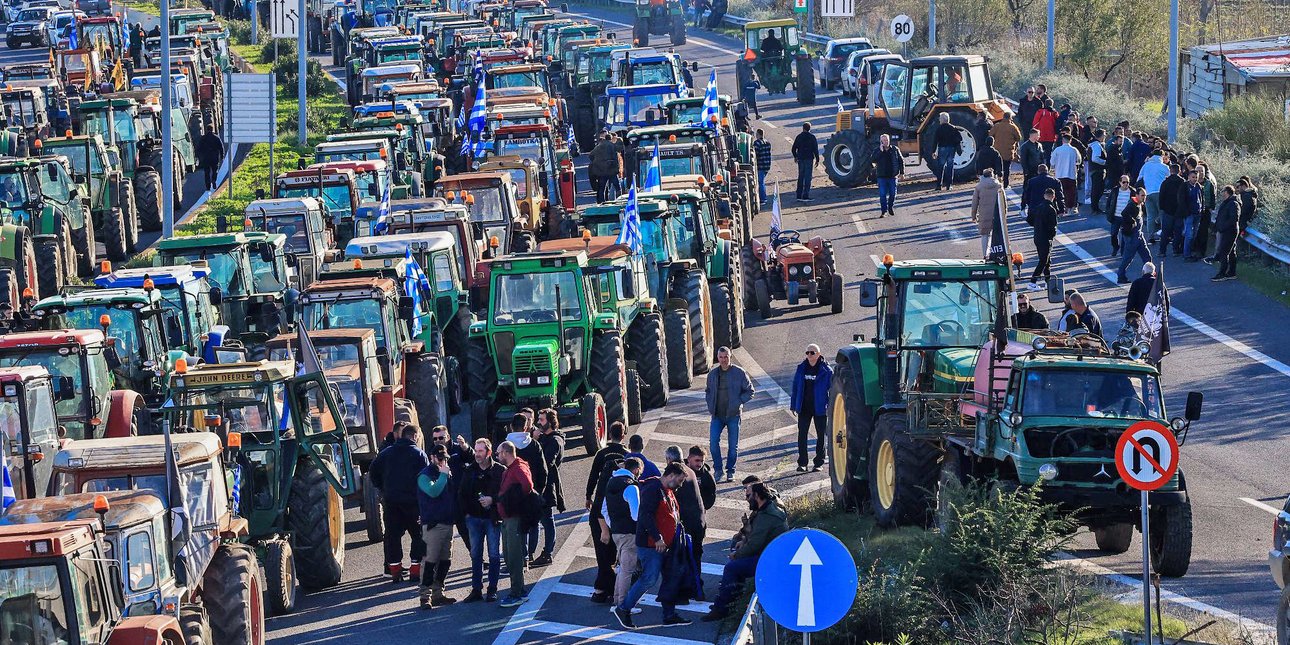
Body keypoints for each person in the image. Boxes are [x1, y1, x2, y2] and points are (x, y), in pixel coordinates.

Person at [613, 463, 692, 629]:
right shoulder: (653, 489)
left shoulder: (666, 489)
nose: (680, 484)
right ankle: (624, 608)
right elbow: (645, 515)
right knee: (649, 578)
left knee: (670, 578)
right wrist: (657, 538)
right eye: (679, 480)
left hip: (666, 545)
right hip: (651, 545)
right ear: (671, 475)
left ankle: (669, 615)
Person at [702, 481, 788, 622]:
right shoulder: (765, 509)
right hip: (767, 553)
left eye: (749, 496)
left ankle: (722, 608)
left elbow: (755, 544)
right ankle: (732, 599)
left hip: (770, 559)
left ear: (757, 496)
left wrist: (736, 555)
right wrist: (743, 542)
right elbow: (755, 536)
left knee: (732, 568)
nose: (746, 499)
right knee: (736, 557)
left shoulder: (768, 516)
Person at [369, 424, 428, 582]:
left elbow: (373, 471)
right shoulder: (419, 454)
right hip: (413, 504)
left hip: (391, 502)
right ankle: (415, 571)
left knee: (393, 537)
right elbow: (426, 478)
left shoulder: (386, 453)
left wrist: (382, 488)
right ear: (414, 436)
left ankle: (395, 572)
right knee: (418, 536)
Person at [585, 421, 629, 603]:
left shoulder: (601, 454)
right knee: (613, 554)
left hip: (601, 516)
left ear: (610, 434)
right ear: (623, 435)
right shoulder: (627, 455)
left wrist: (588, 495)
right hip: (617, 515)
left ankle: (604, 589)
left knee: (602, 554)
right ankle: (606, 588)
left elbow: (592, 476)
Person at [459, 438, 504, 602]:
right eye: (476, 450)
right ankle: (476, 589)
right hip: (474, 519)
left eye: (480, 451)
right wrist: (466, 514)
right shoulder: (470, 470)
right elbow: (462, 494)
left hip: (492, 519)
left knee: (494, 555)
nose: (477, 454)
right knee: (476, 555)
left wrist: (492, 499)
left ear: (489, 452)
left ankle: (492, 589)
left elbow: (507, 493)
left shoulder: (500, 471)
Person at [416, 444, 459, 608]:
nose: (443, 462)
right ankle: (425, 596)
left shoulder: (446, 473)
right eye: (440, 459)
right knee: (429, 562)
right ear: (432, 458)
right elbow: (433, 492)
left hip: (447, 523)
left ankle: (438, 593)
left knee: (445, 561)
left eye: (445, 459)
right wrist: (443, 475)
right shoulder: (424, 475)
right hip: (433, 525)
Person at [705, 346, 754, 482]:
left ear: (730, 357)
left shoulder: (739, 373)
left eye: (726, 357)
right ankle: (718, 469)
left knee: (733, 446)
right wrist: (710, 405)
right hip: (717, 416)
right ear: (717, 358)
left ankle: (731, 470)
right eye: (721, 357)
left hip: (733, 415)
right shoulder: (713, 374)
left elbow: (750, 391)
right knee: (713, 443)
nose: (723, 360)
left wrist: (738, 402)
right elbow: (708, 391)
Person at [495, 440, 534, 608]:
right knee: (509, 555)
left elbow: (528, 485)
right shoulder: (512, 468)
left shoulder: (518, 468)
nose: (497, 456)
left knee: (514, 557)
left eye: (498, 453)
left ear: (505, 453)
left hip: (514, 519)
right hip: (507, 518)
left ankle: (516, 593)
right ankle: (520, 591)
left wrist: (515, 500)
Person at [602, 457, 643, 610]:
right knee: (627, 570)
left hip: (617, 533)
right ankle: (623, 604)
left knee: (621, 569)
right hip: (630, 533)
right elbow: (636, 515)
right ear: (636, 470)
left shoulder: (611, 482)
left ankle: (617, 600)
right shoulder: (631, 486)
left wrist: (613, 525)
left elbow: (603, 509)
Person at [527, 409, 564, 567]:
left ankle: (547, 553)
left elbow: (547, 462)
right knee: (537, 520)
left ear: (550, 421)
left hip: (547, 487)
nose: (538, 423)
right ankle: (531, 553)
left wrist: (536, 442)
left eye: (542, 420)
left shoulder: (555, 440)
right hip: (541, 485)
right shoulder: (546, 438)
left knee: (547, 520)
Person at [790, 344, 831, 472]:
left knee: (821, 436)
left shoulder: (827, 370)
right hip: (804, 408)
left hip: (820, 408)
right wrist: (793, 405)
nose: (809, 355)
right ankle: (802, 463)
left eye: (812, 353)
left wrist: (830, 406)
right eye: (807, 352)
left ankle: (818, 463)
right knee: (802, 435)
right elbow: (795, 387)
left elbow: (833, 390)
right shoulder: (801, 368)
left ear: (818, 354)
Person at [672, 445, 716, 562]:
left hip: (697, 519)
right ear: (689, 458)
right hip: (680, 518)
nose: (700, 464)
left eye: (702, 461)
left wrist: (700, 506)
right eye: (697, 460)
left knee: (696, 551)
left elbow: (711, 496)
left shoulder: (706, 476)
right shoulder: (679, 471)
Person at [1117, 193, 1153, 283]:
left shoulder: (1139, 204)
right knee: (1127, 258)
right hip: (1132, 237)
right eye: (1142, 195)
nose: (1144, 197)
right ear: (1137, 195)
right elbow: (1124, 213)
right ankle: (1121, 276)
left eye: (1145, 195)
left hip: (1139, 235)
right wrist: (1132, 221)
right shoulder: (1132, 205)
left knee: (1147, 257)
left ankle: (1149, 276)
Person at [1028, 187, 1059, 288]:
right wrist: (1051, 236)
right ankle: (1032, 282)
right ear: (1053, 196)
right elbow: (1053, 226)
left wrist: (1037, 225)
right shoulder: (1051, 209)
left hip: (1037, 236)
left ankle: (1047, 281)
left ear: (1044, 196)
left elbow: (1029, 220)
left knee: (1047, 260)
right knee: (1043, 261)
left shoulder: (1038, 207)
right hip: (1046, 238)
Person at [971, 169, 1005, 259]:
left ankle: (985, 254)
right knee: (997, 234)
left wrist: (973, 216)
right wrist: (1004, 212)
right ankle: (997, 253)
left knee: (984, 234)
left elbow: (974, 203)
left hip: (984, 214)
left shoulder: (979, 187)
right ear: (992, 175)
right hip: (997, 214)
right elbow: (1003, 200)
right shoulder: (999, 185)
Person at [1138, 152, 1170, 242]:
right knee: (1162, 215)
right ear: (1162, 156)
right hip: (1160, 193)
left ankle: (1150, 236)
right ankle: (1164, 235)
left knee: (1150, 216)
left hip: (1148, 193)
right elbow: (1169, 178)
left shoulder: (1146, 166)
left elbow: (1139, 178)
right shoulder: (1164, 167)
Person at [1211, 185, 1240, 282]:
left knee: (1224, 252)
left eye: (1223, 191)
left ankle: (1222, 273)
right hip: (1226, 230)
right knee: (1231, 252)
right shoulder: (1227, 202)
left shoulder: (1233, 203)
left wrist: (1223, 227)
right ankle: (1231, 272)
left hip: (1230, 231)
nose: (1222, 193)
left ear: (1227, 192)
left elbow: (1234, 219)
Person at [870, 133, 903, 217]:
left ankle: (890, 207)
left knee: (893, 194)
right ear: (881, 141)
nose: (886, 142)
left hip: (893, 176)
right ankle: (883, 211)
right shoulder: (877, 150)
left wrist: (902, 173)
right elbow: (872, 160)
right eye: (884, 140)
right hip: (882, 177)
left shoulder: (895, 149)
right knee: (882, 195)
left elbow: (901, 161)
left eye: (887, 140)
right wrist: (880, 152)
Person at [1156, 163, 1185, 257]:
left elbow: (1161, 196)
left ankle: (1162, 251)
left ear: (1170, 171)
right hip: (1179, 211)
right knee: (1178, 232)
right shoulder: (1183, 182)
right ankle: (1175, 250)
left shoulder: (1165, 182)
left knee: (1165, 232)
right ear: (1179, 171)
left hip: (1168, 210)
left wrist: (1162, 208)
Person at [1050, 134, 1081, 216]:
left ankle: (1061, 209)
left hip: (1059, 174)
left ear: (1062, 140)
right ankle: (1070, 208)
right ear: (1070, 140)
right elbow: (1079, 161)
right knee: (1071, 193)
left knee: (1060, 193)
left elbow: (1052, 162)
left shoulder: (1057, 150)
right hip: (1071, 174)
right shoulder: (1074, 150)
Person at [1105, 175, 1135, 256]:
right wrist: (1108, 212)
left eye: (1127, 182)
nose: (1126, 184)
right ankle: (1115, 247)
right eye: (1124, 182)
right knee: (1113, 234)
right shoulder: (1115, 191)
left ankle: (1123, 252)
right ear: (1120, 182)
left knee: (1125, 236)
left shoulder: (1132, 191)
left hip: (1126, 217)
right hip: (1116, 216)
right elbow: (1109, 202)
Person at [1179, 169, 1205, 261]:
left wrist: (1202, 209)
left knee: (1194, 234)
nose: (1195, 179)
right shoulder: (1184, 186)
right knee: (1189, 234)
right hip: (1189, 214)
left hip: (1197, 213)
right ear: (1189, 177)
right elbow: (1181, 200)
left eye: (1196, 177)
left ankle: (1189, 252)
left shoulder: (1199, 186)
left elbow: (1202, 198)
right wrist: (1186, 212)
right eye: (1193, 177)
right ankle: (1186, 255)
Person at [931, 113, 962, 190]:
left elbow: (935, 141)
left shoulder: (939, 129)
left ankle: (939, 185)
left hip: (942, 149)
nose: (939, 120)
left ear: (942, 120)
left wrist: (933, 151)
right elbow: (959, 138)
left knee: (940, 167)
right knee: (950, 167)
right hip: (951, 149)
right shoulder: (953, 128)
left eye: (940, 118)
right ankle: (949, 185)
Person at [989, 117, 1022, 190]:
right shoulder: (1013, 127)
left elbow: (990, 135)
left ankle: (996, 184)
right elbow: (1019, 138)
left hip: (997, 152)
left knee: (997, 169)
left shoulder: (997, 126)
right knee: (1006, 169)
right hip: (1008, 152)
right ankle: (1006, 185)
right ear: (1010, 118)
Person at [589, 133, 621, 202]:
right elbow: (617, 153)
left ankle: (601, 201)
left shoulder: (599, 146)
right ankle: (620, 199)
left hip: (601, 170)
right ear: (610, 139)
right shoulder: (612, 145)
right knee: (617, 186)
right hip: (611, 169)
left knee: (602, 188)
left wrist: (597, 162)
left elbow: (591, 155)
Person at [1018, 129, 1045, 210]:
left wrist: (1043, 168)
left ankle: (1037, 206)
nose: (1039, 136)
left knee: (1039, 189)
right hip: (1029, 171)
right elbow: (1023, 160)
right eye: (1038, 135)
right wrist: (1026, 171)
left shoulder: (1039, 145)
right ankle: (1023, 207)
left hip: (1038, 171)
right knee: (1027, 189)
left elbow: (1041, 157)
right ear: (1033, 135)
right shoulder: (1025, 146)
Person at [790, 122, 818, 201]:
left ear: (803, 128)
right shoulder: (812, 137)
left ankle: (799, 195)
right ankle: (806, 195)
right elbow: (815, 149)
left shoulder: (799, 136)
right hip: (809, 158)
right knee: (808, 177)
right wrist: (817, 159)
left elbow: (793, 149)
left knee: (801, 176)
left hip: (801, 158)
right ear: (809, 128)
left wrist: (795, 156)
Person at [1088, 130, 1108, 213]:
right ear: (1101, 136)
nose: (1105, 137)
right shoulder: (1096, 145)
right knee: (1097, 190)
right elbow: (1095, 158)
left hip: (1095, 170)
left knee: (1096, 189)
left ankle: (1095, 207)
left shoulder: (1094, 145)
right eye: (1104, 135)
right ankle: (1095, 208)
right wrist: (1105, 162)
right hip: (1098, 170)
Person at [753, 128, 771, 205]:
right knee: (762, 181)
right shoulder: (767, 142)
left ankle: (763, 199)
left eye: (756, 134)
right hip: (767, 165)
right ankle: (763, 198)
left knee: (760, 182)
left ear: (758, 134)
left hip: (760, 165)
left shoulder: (757, 143)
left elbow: (755, 155)